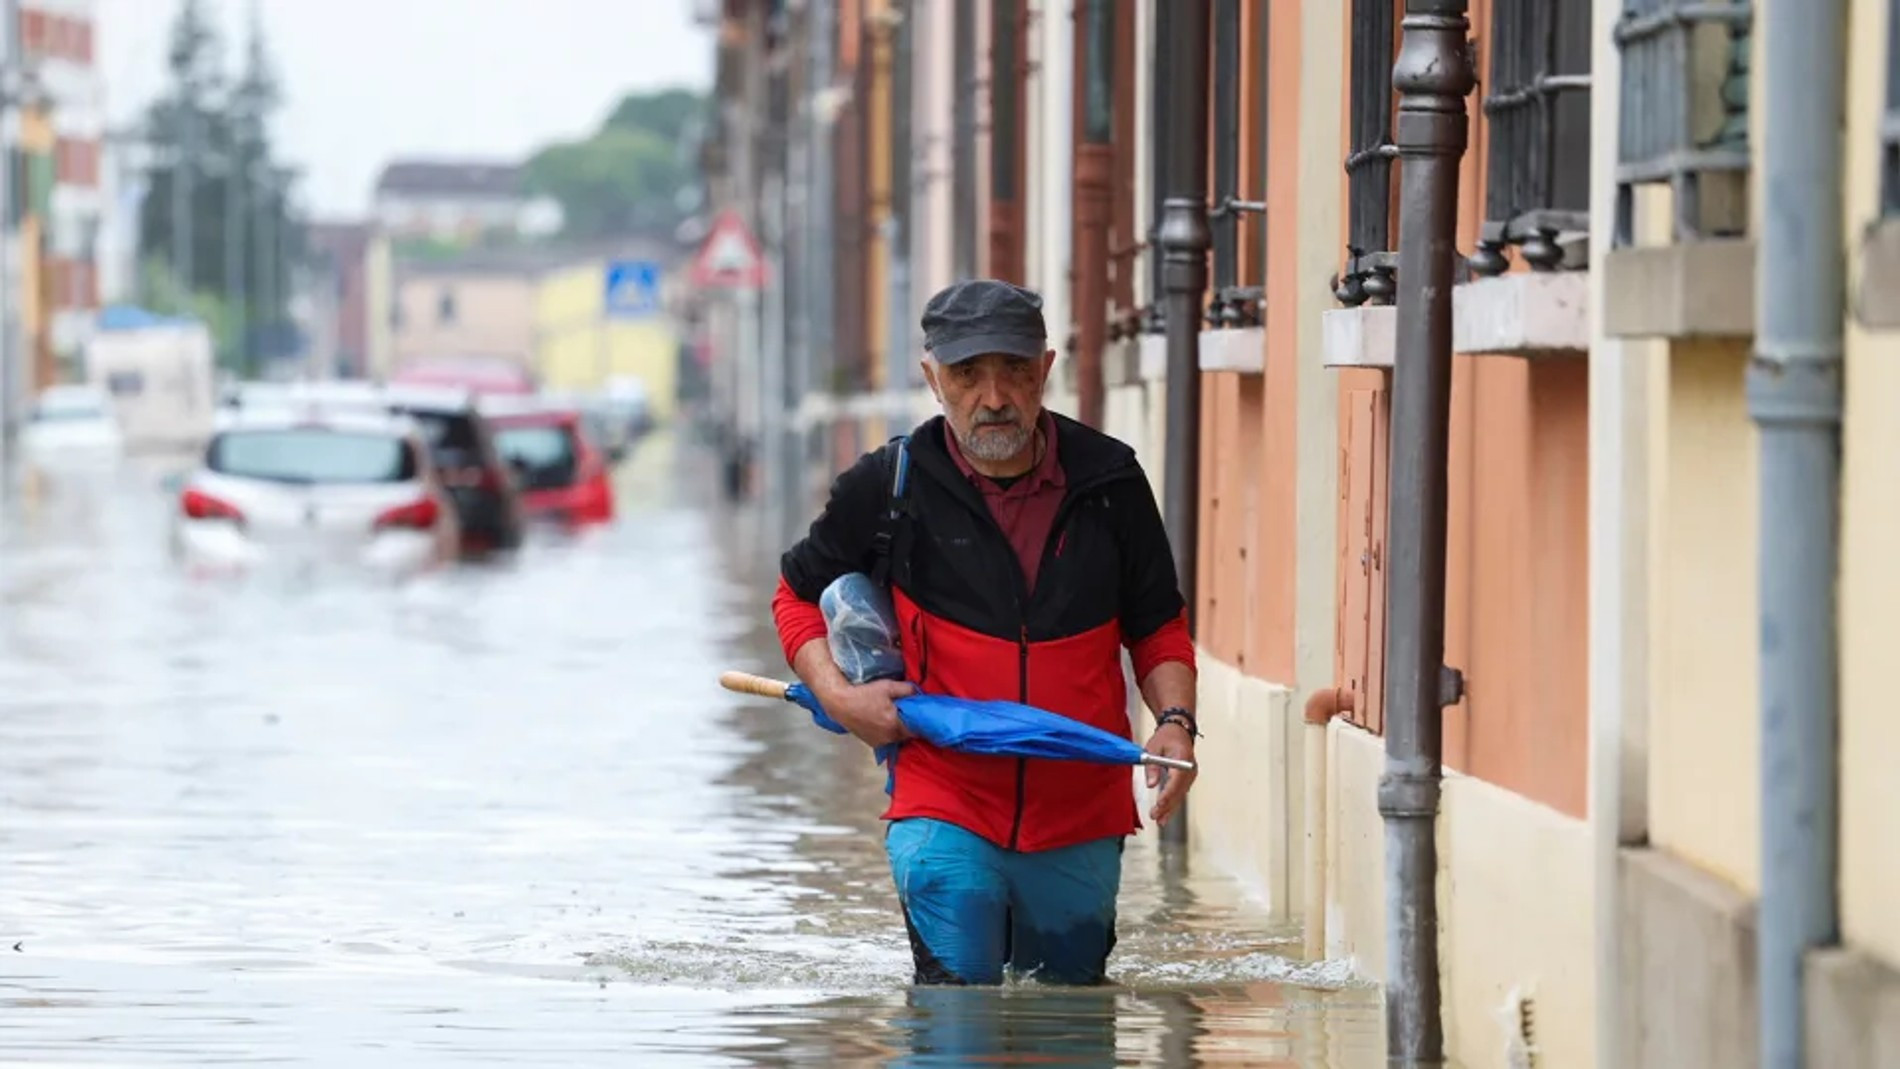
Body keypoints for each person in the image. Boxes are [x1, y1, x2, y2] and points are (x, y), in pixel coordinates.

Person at [771, 278, 1199, 987]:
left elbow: (1156, 623)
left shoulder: (1111, 481)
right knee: (955, 1021)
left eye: (1015, 371)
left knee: (1068, 1025)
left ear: (1047, 370)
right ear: (933, 378)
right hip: (943, 801)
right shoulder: (888, 486)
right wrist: (841, 699)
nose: (994, 396)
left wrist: (1176, 721)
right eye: (969, 373)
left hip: (1081, 813)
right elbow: (795, 597)